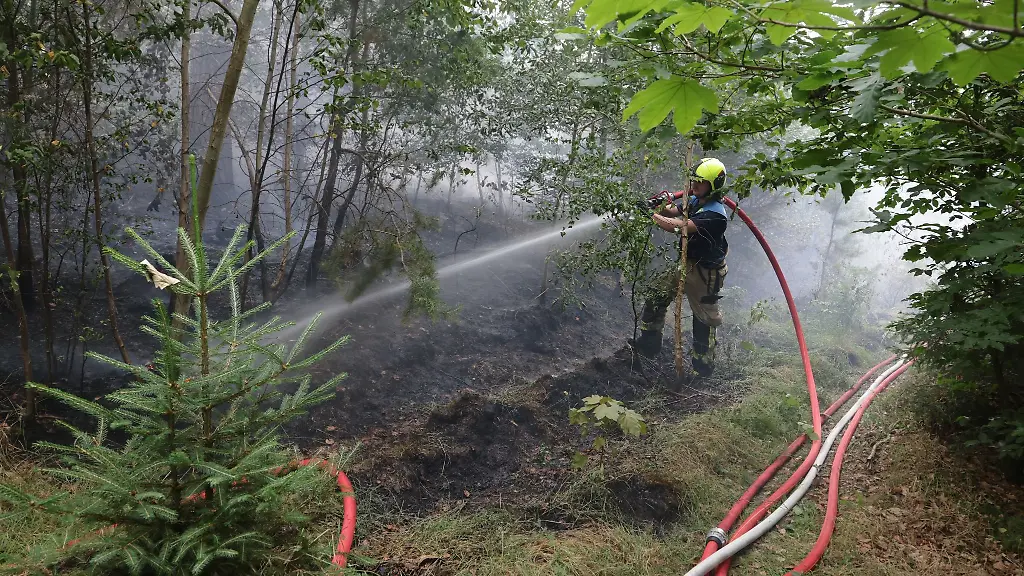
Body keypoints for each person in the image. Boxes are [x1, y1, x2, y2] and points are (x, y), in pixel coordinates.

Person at [630, 157, 729, 377]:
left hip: (706, 272)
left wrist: (651, 215)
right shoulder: (697, 201)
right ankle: (648, 345)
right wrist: (659, 205)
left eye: (699, 182)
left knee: (704, 318)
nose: (693, 186)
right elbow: (674, 213)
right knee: (656, 294)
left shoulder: (715, 215)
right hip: (687, 264)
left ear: (713, 185)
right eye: (693, 181)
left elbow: (678, 227)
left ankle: (702, 368)